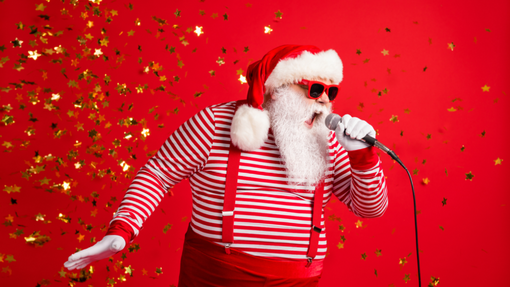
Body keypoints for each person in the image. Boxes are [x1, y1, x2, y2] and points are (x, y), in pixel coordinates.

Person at [64, 44, 389, 286]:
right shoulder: (215, 123)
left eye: (331, 91)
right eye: (314, 88)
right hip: (215, 277)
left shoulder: (330, 140)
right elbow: (158, 173)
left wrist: (362, 155)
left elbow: (370, 209)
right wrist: (122, 229)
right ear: (276, 90)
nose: (323, 100)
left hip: (298, 281)